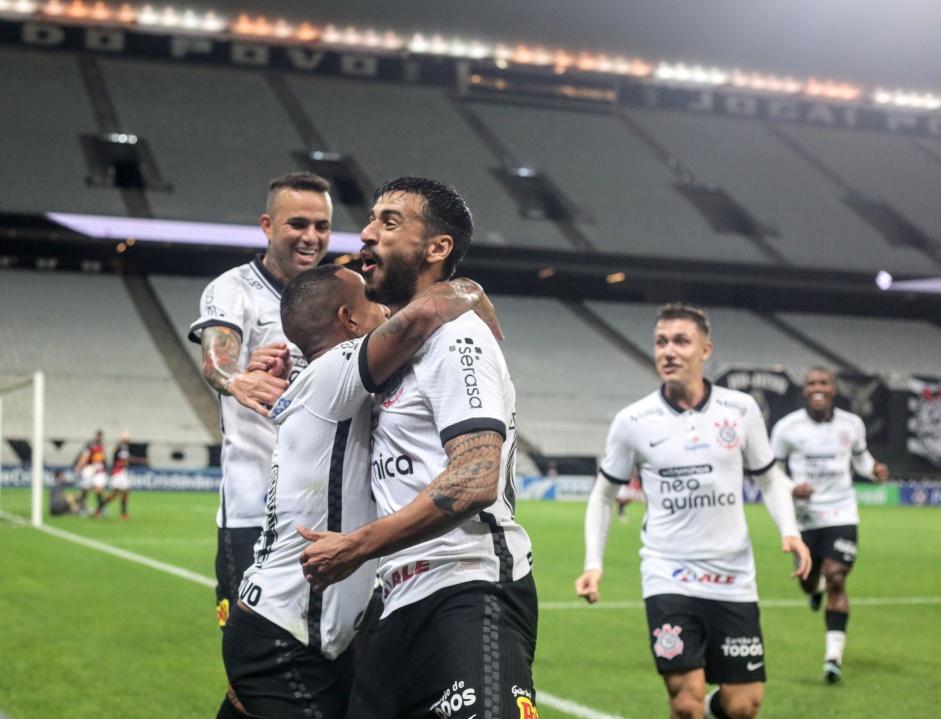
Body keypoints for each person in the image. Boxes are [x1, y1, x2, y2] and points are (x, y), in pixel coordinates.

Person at [297, 177, 538, 719]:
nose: (365, 233)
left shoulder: (459, 339)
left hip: (467, 590)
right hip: (395, 598)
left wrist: (357, 545)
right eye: (371, 219)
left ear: (437, 248)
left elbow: (477, 477)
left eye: (389, 222)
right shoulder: (385, 348)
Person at [222, 263, 502, 718]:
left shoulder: (318, 383)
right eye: (371, 301)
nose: (384, 306)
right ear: (349, 321)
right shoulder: (334, 370)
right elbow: (420, 319)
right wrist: (468, 287)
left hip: (289, 627)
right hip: (290, 637)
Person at [574, 303, 811, 719]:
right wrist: (594, 562)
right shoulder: (633, 420)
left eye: (681, 341)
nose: (669, 351)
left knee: (744, 706)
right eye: (661, 342)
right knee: (685, 703)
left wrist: (789, 530)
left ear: (705, 350)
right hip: (669, 573)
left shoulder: (740, 410)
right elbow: (603, 495)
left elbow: (770, 478)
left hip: (733, 576)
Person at [188, 171, 333, 719]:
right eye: (297, 223)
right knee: (256, 673)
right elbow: (217, 355)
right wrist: (236, 379)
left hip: (328, 517)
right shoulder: (234, 289)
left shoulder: (339, 296)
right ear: (268, 225)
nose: (310, 236)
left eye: (321, 226)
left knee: (329, 664)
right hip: (252, 516)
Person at [769, 366, 889, 684]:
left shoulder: (852, 425)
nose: (817, 388)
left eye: (823, 383)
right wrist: (793, 488)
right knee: (810, 582)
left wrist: (873, 469)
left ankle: (832, 657)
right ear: (804, 390)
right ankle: (815, 587)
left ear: (834, 389)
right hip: (804, 518)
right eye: (811, 384)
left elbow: (860, 459)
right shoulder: (786, 428)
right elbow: (772, 473)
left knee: (837, 577)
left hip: (841, 514)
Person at [100, 430, 140, 520]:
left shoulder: (117, 446)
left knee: (120, 493)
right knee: (119, 493)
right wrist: (137, 461)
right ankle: (101, 509)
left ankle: (102, 509)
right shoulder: (123, 447)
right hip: (119, 472)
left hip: (117, 472)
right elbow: (124, 460)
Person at [74, 429, 107, 516]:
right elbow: (84, 457)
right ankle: (82, 507)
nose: (99, 438)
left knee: (99, 490)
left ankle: (99, 510)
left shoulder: (101, 446)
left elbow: (102, 459)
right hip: (89, 469)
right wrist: (79, 467)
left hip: (99, 470)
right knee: (85, 489)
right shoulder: (90, 445)